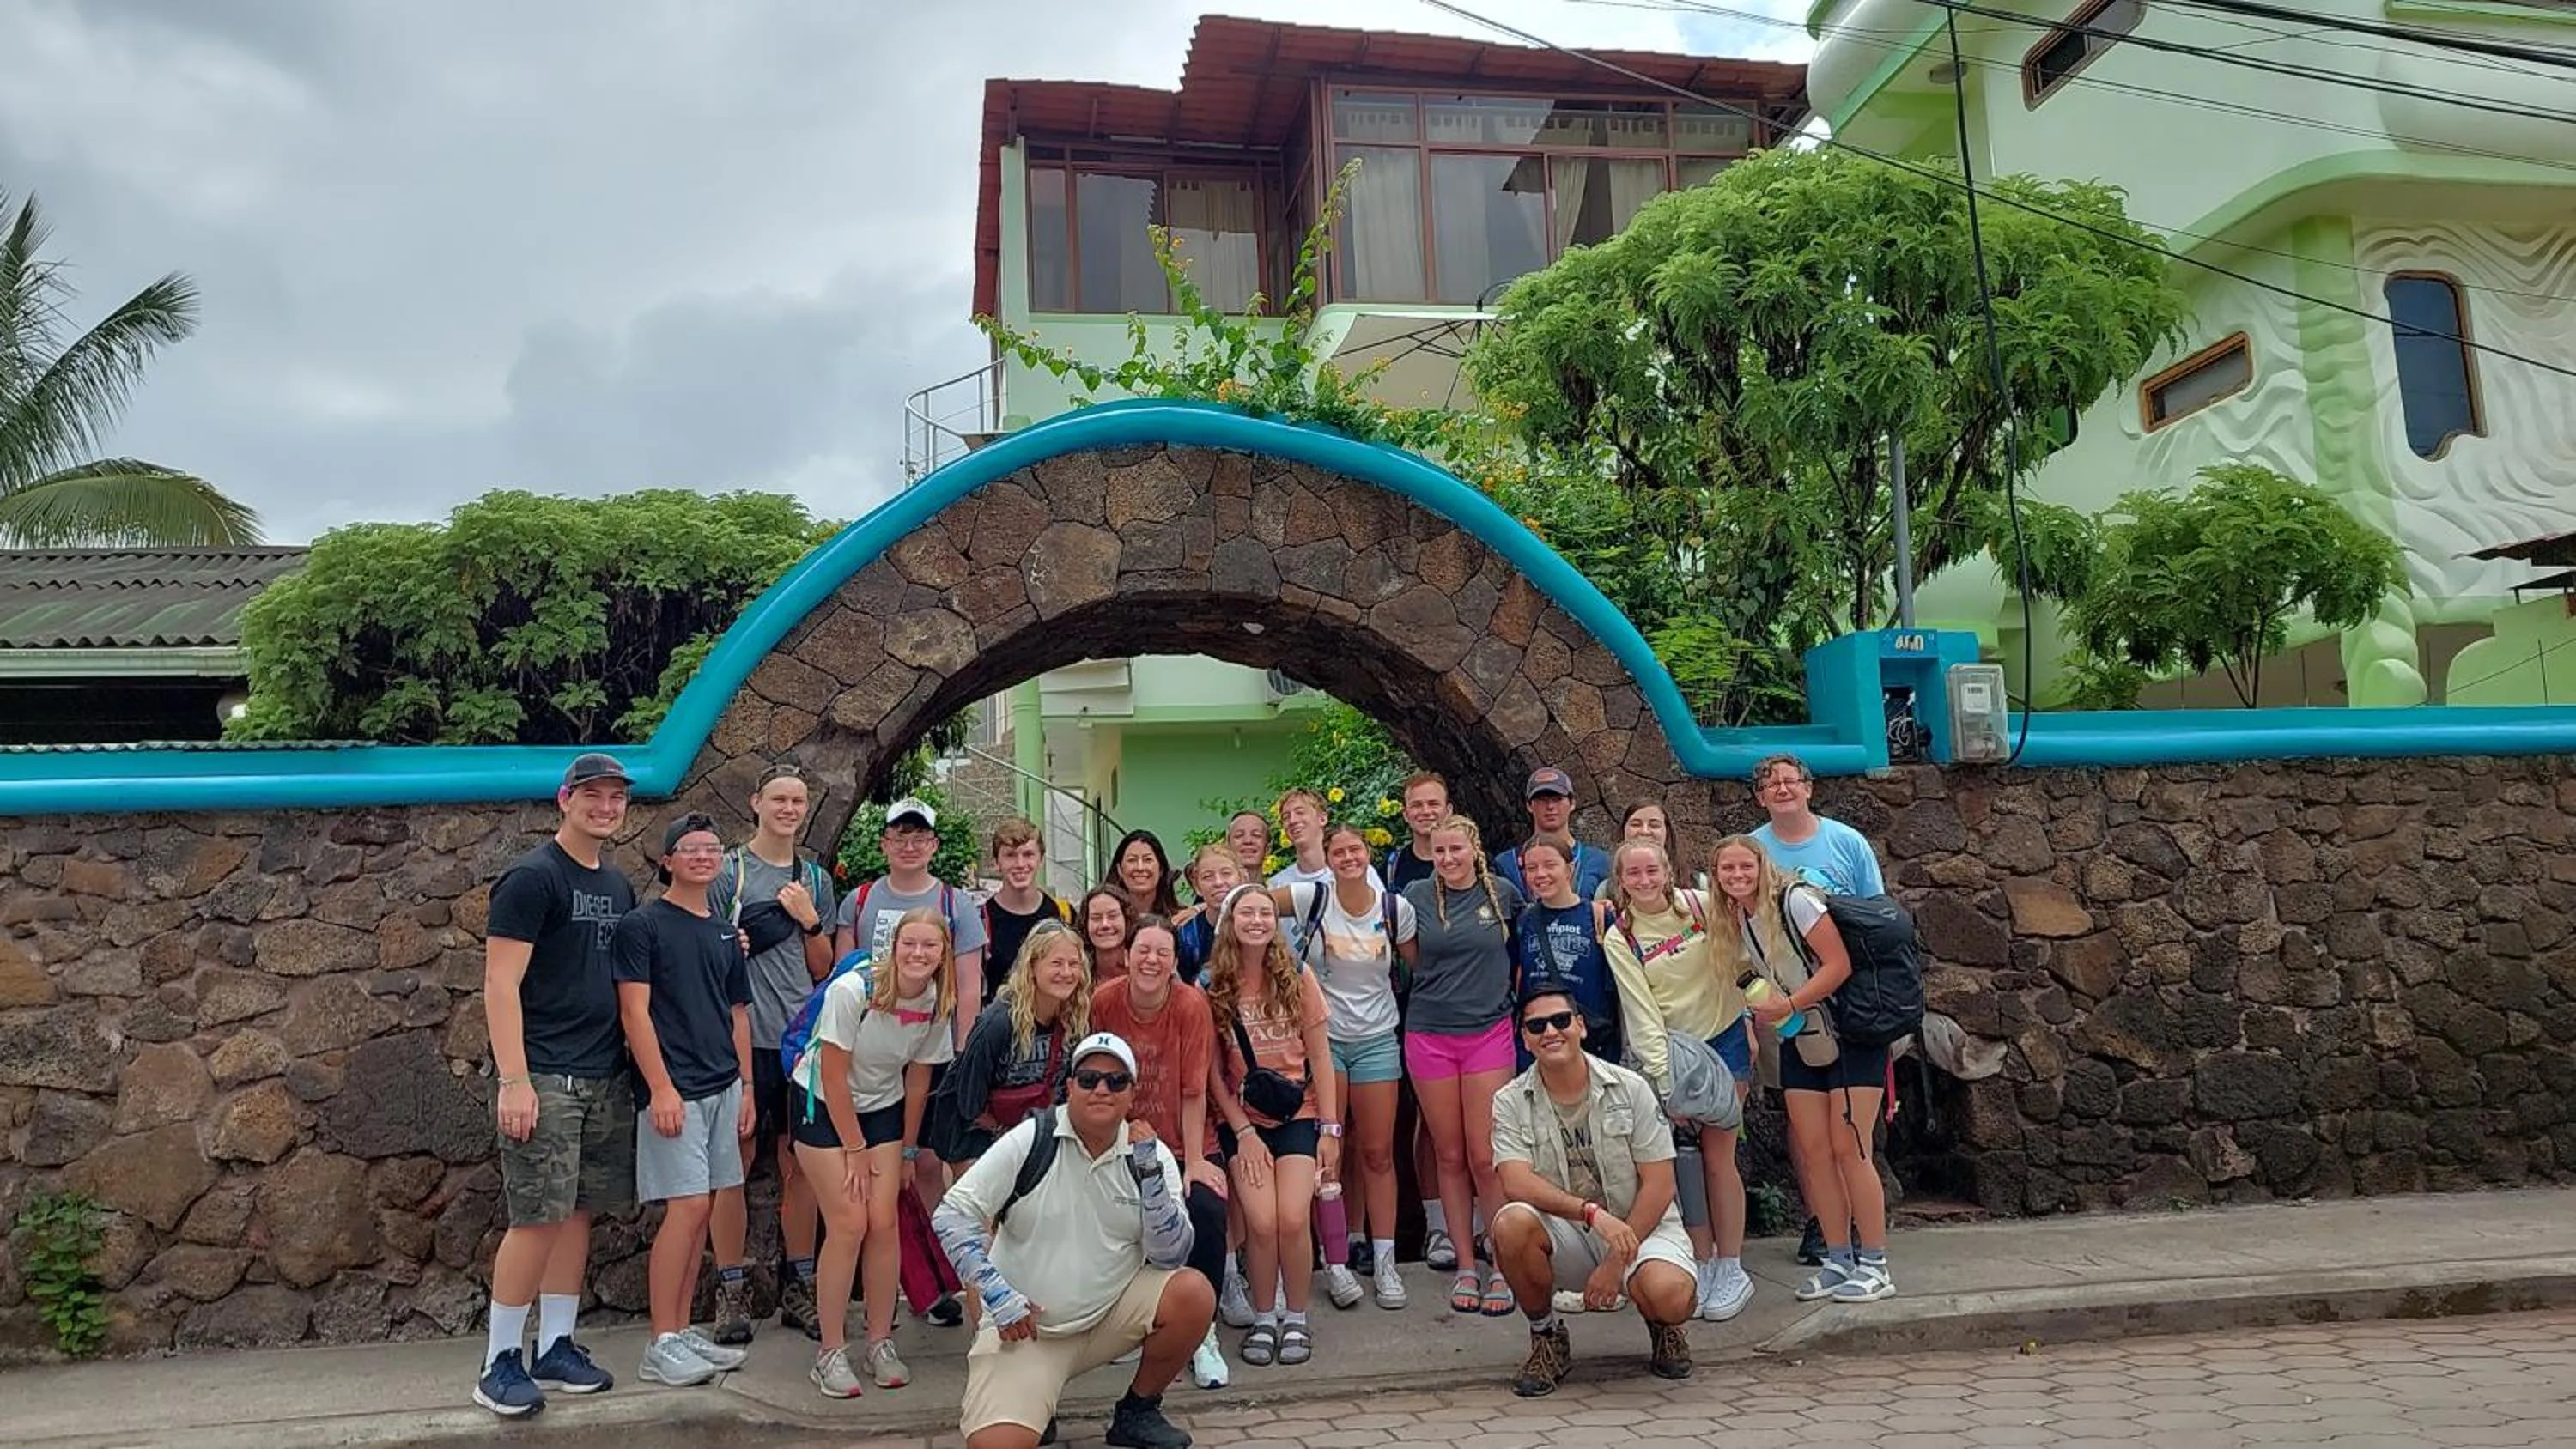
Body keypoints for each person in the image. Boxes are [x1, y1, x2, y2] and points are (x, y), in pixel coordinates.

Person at [933, 1033, 1211, 1449]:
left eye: (1116, 1081)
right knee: (997, 1444)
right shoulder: (1030, 1139)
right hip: (1027, 1328)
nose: (1102, 1089)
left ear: (1133, 1093)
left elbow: (1170, 1254)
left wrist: (1150, 1175)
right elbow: (952, 1215)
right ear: (1070, 1087)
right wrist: (997, 1293)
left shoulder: (1149, 1152)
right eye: (1089, 1079)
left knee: (1193, 1293)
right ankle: (1034, 1405)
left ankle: (1138, 1411)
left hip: (1109, 1316)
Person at [475, 752, 637, 1416]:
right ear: (564, 800)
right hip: (544, 1073)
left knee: (576, 1214)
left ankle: (558, 1345)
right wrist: (515, 1079)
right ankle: (499, 1361)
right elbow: (499, 983)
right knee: (536, 1216)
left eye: (616, 797)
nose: (605, 807)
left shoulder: (621, 885)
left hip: (602, 1073)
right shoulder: (532, 878)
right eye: (592, 795)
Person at [1711, 835, 1895, 1304]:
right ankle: (1838, 1258)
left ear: (1761, 865)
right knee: (1814, 1152)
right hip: (1801, 1035)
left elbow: (1839, 964)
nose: (1736, 876)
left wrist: (1788, 1004)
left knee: (1849, 1147)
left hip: (1847, 1030)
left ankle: (1874, 1262)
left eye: (1744, 867)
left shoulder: (1794, 902)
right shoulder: (1739, 916)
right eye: (1726, 869)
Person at [1490, 985, 1697, 1397]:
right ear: (1526, 1040)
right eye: (1536, 1025)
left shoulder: (1631, 1087)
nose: (1551, 1031)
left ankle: (1664, 1326)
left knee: (1670, 1295)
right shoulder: (1509, 1100)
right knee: (1510, 1223)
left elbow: (1660, 1183)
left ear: (1580, 1026)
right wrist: (1589, 1213)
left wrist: (1617, 1259)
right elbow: (1515, 1181)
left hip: (1640, 1227)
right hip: (1572, 1230)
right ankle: (1546, 1337)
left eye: (1561, 1020)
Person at [612, 813, 757, 1388]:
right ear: (667, 860)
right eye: (690, 848)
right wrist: (661, 1087)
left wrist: (746, 1086)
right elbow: (633, 1011)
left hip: (724, 1086)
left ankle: (677, 1330)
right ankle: (660, 1342)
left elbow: (737, 1014)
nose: (702, 856)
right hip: (676, 1092)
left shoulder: (724, 931)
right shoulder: (642, 926)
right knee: (688, 1209)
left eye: (712, 847)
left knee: (704, 1211)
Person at [790, 906, 958, 1397]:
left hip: (884, 1103)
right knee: (848, 1222)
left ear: (943, 952)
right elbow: (835, 1074)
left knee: (884, 1221)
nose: (919, 954)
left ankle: (880, 1340)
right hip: (822, 1102)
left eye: (930, 945)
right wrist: (855, 1148)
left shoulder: (935, 999)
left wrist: (906, 1151)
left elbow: (920, 1075)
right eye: (910, 944)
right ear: (894, 947)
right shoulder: (854, 991)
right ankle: (831, 1351)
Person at [705, 761, 837, 1344]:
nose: (788, 809)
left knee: (802, 1162)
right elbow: (699, 953)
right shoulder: (727, 874)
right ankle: (729, 1288)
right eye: (779, 799)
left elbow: (823, 968)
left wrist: (810, 922)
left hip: (799, 1037)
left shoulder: (816, 879)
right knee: (733, 1158)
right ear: (756, 802)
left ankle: (799, 1283)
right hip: (740, 1037)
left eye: (798, 801)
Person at [1602, 840, 1753, 1325]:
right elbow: (1641, 1014)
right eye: (1634, 874)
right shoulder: (1621, 938)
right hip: (1675, 1053)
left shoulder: (1703, 907)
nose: (1644, 881)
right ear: (1620, 881)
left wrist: (1752, 1017)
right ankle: (1701, 1261)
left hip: (1725, 1040)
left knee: (1718, 1159)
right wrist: (1668, 1088)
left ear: (1668, 869)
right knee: (1683, 1164)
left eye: (1652, 870)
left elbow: (1743, 962)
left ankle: (1731, 1266)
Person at [1269, 822, 1415, 1311]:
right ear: (1327, 858)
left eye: (1355, 849)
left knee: (1377, 1153)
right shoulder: (1313, 897)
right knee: (1329, 1154)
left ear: (1367, 853)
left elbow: (1418, 965)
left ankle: (1385, 1259)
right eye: (1339, 851)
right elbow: (1251, 904)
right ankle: (1335, 1260)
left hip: (1377, 1039)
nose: (1348, 857)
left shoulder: (1394, 908)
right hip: (1323, 1040)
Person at [1090, 915, 1232, 1390]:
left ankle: (1202, 1332)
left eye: (1162, 953)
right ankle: (1120, 1328)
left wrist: (1193, 1161)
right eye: (1143, 950)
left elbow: (1194, 1092)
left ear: (1174, 962)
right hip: (1121, 1139)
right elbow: (1096, 1083)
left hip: (1183, 1139)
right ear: (1126, 955)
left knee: (1206, 1208)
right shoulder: (1105, 1001)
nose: (1151, 960)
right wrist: (1125, 1131)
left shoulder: (1190, 1005)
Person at [1206, 884, 1340, 1367]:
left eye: (1266, 912)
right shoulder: (1213, 984)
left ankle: (1296, 1317)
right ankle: (1265, 1316)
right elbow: (1212, 1073)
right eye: (1247, 913)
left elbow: (1322, 1057)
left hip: (1298, 1114)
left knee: (1292, 1217)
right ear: (1230, 921)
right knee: (1260, 1222)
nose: (1257, 921)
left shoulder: (1297, 976)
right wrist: (1242, 1131)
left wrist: (1331, 1129)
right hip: (1244, 1119)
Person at [1400, 815, 1522, 1319]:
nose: (1447, 858)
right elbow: (1408, 957)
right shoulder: (1415, 895)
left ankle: (1503, 1263)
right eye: (1439, 850)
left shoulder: (1505, 895)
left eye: (1456, 849)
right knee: (1447, 1155)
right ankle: (1466, 1265)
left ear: (1473, 848)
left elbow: (1521, 951)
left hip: (1489, 1034)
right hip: (1429, 1033)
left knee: (1485, 1154)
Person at [935, 921, 1091, 1173]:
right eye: (1056, 963)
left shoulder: (1076, 1019)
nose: (1067, 972)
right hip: (980, 1138)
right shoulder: (998, 1023)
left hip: (1039, 1135)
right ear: (1031, 966)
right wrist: (1007, 1139)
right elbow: (968, 1103)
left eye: (1074, 964)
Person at [836, 797, 988, 1048]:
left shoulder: (958, 906)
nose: (909, 848)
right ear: (884, 845)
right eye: (899, 839)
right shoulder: (858, 901)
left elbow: (968, 988)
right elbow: (842, 978)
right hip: (869, 1043)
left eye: (919, 839)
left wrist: (963, 1051)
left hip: (933, 1044)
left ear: (934, 845)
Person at [1512, 839, 1621, 1069]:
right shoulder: (1524, 921)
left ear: (1570, 869)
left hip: (1591, 1037)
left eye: (1550, 865)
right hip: (1540, 1036)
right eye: (1532, 868)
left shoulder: (1598, 916)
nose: (1540, 874)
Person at [1747, 754, 1886, 897]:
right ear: (1761, 798)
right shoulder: (1750, 849)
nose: (1783, 790)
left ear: (1808, 789)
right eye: (1773, 785)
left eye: (1790, 781)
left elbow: (1877, 907)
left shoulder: (1849, 841)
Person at [982, 818, 1072, 1009]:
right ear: (997, 862)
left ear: (1041, 859)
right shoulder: (982, 919)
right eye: (1010, 855)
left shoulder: (1063, 915)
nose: (1020, 864)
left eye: (1028, 854)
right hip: (1001, 1030)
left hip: (1054, 1029)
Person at [1492, 768, 1612, 902]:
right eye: (1542, 800)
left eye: (1557, 799)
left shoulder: (1599, 861)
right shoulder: (1506, 863)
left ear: (1572, 803)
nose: (1550, 806)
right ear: (1529, 805)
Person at [1599, 801, 1707, 899]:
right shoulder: (1606, 891)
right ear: (1623, 830)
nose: (1645, 831)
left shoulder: (1699, 884)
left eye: (1654, 825)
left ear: (1667, 832)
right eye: (1636, 824)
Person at [1173, 844, 1242, 988]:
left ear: (1241, 878)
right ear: (1197, 887)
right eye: (1208, 877)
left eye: (1226, 873)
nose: (1218, 882)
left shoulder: (1257, 925)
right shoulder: (1187, 936)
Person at [1381, 772, 1449, 894]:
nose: (1426, 811)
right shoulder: (1391, 869)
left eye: (1433, 804)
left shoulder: (1471, 860)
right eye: (1416, 805)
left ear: (1449, 811)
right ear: (1405, 814)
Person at [1106, 829, 1184, 921]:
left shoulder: (1180, 920)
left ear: (1161, 869)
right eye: (1132, 860)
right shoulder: (1108, 921)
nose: (1140, 868)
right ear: (1119, 870)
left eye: (1148, 860)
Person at [1081, 887, 1133, 985]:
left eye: (1113, 916)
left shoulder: (1143, 971)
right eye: (1096, 918)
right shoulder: (1076, 975)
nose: (1105, 924)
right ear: (1085, 923)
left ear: (1127, 919)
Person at [1224, 810, 1273, 882]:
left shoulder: (1280, 889)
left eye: (1256, 835)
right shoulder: (1216, 891)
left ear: (1268, 848)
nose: (1248, 841)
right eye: (1239, 835)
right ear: (1227, 847)